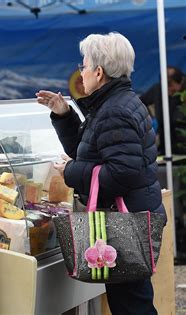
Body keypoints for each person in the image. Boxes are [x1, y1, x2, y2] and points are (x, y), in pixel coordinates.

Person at [36, 32, 164, 314]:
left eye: (83, 65)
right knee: (131, 302)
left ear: (98, 71)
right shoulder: (113, 103)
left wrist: (71, 171)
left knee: (132, 306)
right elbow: (88, 149)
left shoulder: (114, 110)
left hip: (126, 223)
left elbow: (122, 173)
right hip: (131, 218)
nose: (81, 73)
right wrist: (63, 114)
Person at [140, 66, 186, 154]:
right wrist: (147, 117)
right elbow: (139, 103)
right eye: (165, 86)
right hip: (165, 147)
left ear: (180, 82)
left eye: (170, 85)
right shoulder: (158, 90)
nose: (168, 90)